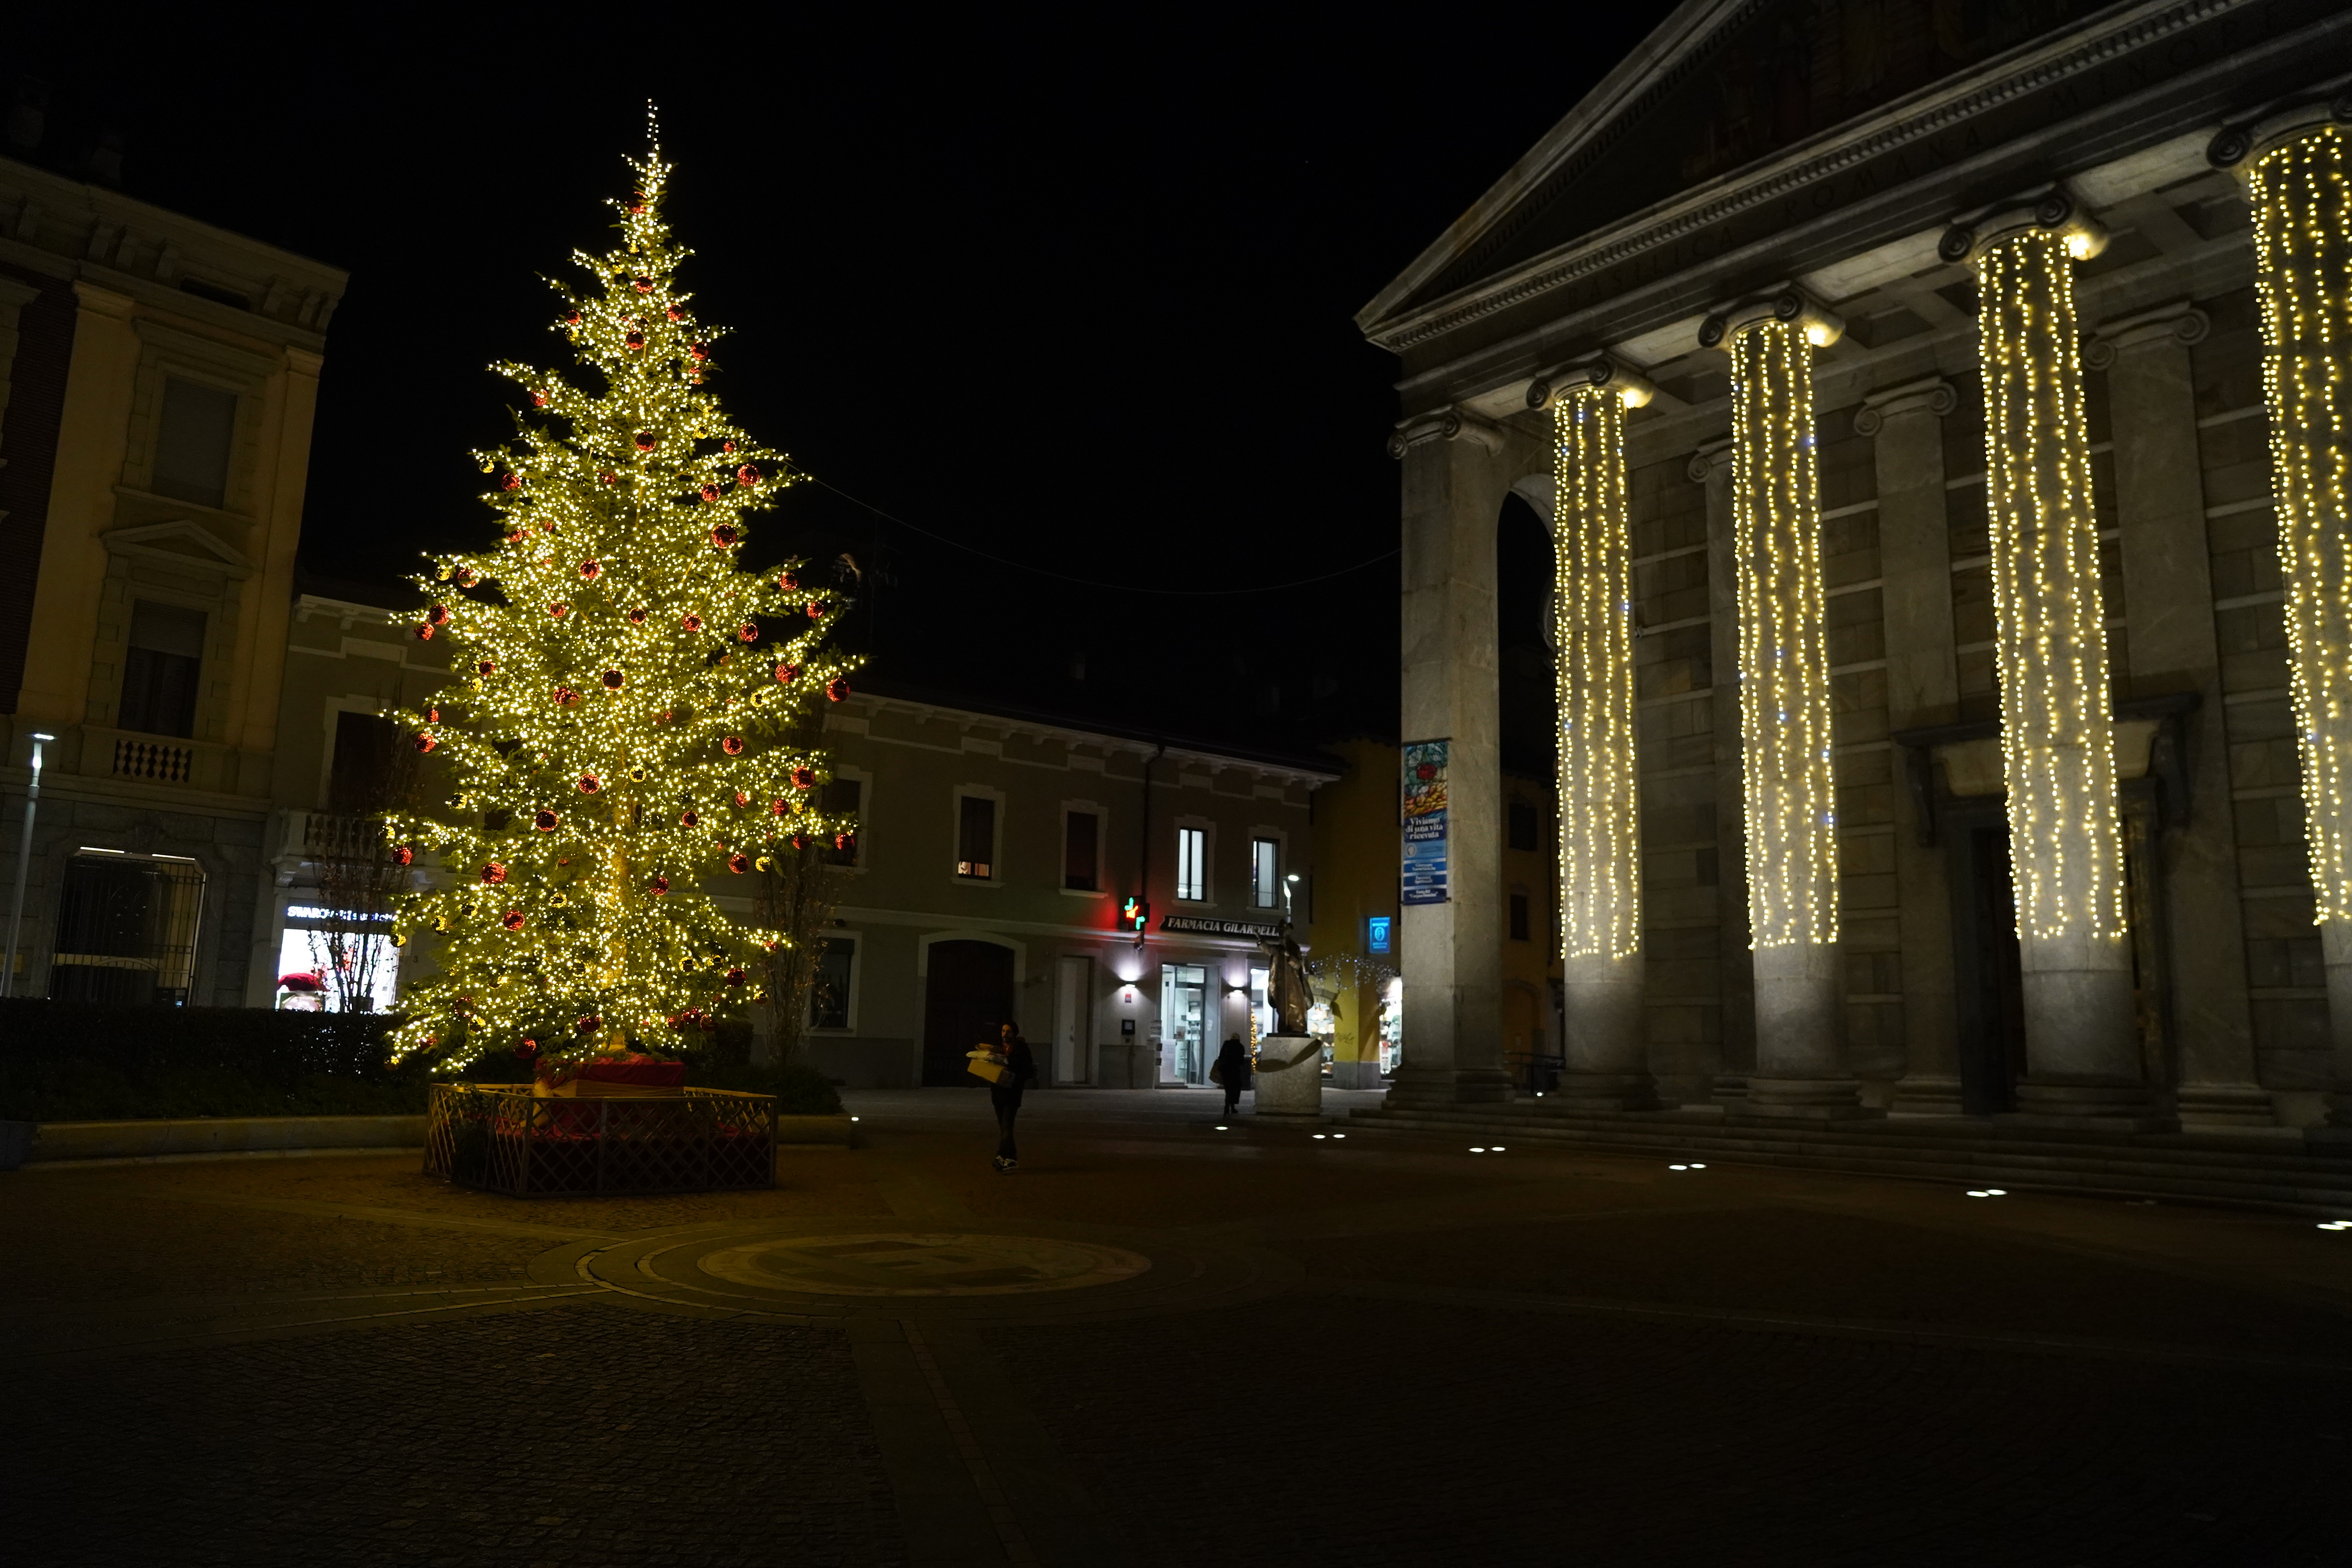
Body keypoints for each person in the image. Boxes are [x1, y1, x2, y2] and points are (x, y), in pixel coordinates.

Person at [989, 1020, 1037, 1172]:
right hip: (998, 1094)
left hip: (1012, 1094)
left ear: (1015, 1033)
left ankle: (1001, 1156)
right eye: (1003, 1031)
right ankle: (1011, 1159)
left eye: (1008, 1031)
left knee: (1007, 1127)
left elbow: (1030, 1071)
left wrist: (1014, 1077)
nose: (1005, 1034)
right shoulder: (997, 1049)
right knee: (1004, 1128)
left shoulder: (1021, 1049)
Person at [1214, 1034, 1251, 1120]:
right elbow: (1241, 1060)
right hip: (1235, 1071)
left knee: (1228, 1089)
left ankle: (1227, 1107)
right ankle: (1232, 1107)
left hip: (1225, 1071)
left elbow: (1221, 1056)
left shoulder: (1226, 1045)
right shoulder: (1240, 1047)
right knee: (1235, 1089)